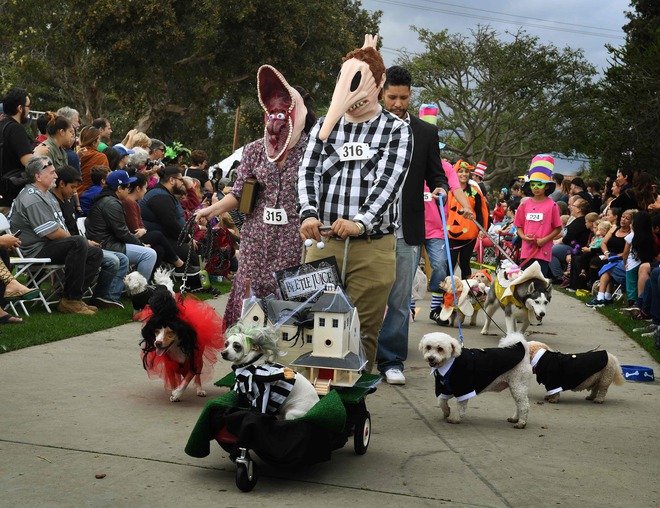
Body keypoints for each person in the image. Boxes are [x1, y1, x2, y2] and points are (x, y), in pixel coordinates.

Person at [298, 36, 412, 374]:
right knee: (315, 320)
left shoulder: (396, 131)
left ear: (376, 86)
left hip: (373, 246)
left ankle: (352, 397)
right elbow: (308, 171)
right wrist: (308, 212)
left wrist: (360, 221)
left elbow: (388, 183)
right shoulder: (324, 126)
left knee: (362, 329)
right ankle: (314, 394)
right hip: (323, 241)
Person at [195, 65, 316, 324]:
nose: (277, 119)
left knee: (289, 296)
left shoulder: (313, 150)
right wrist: (211, 210)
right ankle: (247, 354)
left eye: (284, 112)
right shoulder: (253, 151)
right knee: (250, 296)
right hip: (256, 238)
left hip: (295, 237)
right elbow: (239, 193)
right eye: (272, 112)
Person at [374, 66, 452, 385]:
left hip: (407, 228)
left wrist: (440, 188)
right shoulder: (367, 127)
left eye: (404, 97)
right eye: (392, 97)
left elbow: (436, 172)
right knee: (364, 293)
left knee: (399, 297)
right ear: (381, 93)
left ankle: (391, 359)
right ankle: (356, 352)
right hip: (369, 226)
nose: (398, 103)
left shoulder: (425, 132)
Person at [9, 155, 103, 315]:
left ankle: (70, 297)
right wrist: (84, 242)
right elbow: (52, 233)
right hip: (33, 250)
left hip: (46, 246)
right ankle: (71, 300)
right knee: (78, 243)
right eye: (51, 172)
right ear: (38, 176)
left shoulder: (45, 194)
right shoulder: (32, 197)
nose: (56, 175)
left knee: (95, 253)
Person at [51, 166, 128, 309]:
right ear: (61, 183)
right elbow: (55, 232)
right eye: (72, 187)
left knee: (110, 256)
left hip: (76, 243)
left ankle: (86, 296)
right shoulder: (52, 202)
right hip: (65, 246)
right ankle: (72, 296)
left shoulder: (67, 202)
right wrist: (84, 242)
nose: (75, 192)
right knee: (112, 260)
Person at [86, 169, 158, 284]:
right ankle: (138, 290)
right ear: (119, 188)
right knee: (149, 254)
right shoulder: (112, 203)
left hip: (108, 242)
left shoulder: (110, 200)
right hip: (106, 244)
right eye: (128, 187)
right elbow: (122, 232)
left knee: (150, 249)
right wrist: (141, 244)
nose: (129, 190)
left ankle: (134, 288)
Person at [140, 165, 201, 286]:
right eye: (181, 180)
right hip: (161, 237)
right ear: (172, 180)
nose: (183, 183)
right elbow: (170, 224)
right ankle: (194, 285)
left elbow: (192, 204)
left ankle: (198, 284)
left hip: (167, 236)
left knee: (195, 252)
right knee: (190, 254)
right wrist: (187, 239)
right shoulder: (160, 196)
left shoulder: (165, 194)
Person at [123, 171, 184, 271]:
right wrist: (142, 230)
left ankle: (146, 281)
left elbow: (141, 226)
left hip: (136, 238)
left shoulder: (135, 204)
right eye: (145, 188)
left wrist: (143, 230)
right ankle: (179, 264)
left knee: (159, 250)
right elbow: (135, 229)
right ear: (138, 189)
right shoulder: (128, 203)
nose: (146, 191)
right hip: (130, 240)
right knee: (157, 235)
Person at [514, 155, 562, 276]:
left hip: (543, 251)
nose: (536, 187)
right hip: (526, 251)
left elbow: (558, 227)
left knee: (539, 283)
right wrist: (523, 237)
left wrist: (544, 240)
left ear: (546, 186)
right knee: (524, 281)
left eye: (539, 184)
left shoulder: (553, 206)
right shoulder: (524, 205)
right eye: (533, 184)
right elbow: (518, 225)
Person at [446, 159, 489, 279]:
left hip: (470, 234)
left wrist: (481, 229)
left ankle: (468, 290)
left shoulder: (475, 193)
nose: (463, 174)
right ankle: (448, 292)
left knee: (465, 262)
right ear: (455, 173)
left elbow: (480, 212)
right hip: (451, 232)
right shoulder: (449, 192)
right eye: (460, 171)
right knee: (450, 262)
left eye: (466, 172)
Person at [0, 87, 33, 213]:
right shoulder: (16, 129)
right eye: (28, 106)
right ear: (20, 108)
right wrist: (39, 154)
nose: (29, 110)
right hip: (10, 200)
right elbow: (28, 162)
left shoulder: (2, 126)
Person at [548, 197, 592, 283]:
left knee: (550, 251)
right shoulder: (575, 220)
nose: (570, 207)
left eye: (573, 206)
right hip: (569, 246)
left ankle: (559, 276)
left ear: (579, 209)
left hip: (575, 248)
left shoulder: (580, 222)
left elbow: (567, 238)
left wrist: (556, 242)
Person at [77, 126, 109, 195]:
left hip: (75, 193)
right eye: (99, 139)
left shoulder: (76, 154)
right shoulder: (101, 157)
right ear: (94, 142)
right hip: (93, 195)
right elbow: (105, 179)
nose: (99, 142)